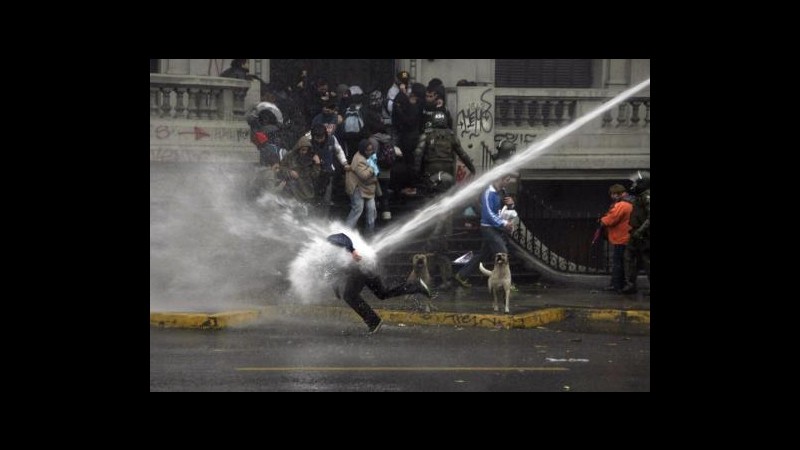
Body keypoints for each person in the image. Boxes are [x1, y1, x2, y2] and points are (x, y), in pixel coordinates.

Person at [326, 233, 431, 334]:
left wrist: (352, 251)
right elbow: (331, 275)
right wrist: (336, 290)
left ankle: (373, 321)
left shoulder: (326, 241)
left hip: (360, 266)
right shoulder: (325, 260)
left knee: (350, 296)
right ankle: (416, 286)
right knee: (382, 293)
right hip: (366, 265)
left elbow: (342, 237)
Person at [454, 172, 518, 288]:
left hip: (496, 228)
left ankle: (461, 275)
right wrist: (503, 223)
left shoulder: (501, 193)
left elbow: (502, 211)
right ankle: (506, 282)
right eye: (506, 180)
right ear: (499, 178)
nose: (507, 183)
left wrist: (511, 205)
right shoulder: (488, 193)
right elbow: (488, 214)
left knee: (482, 254)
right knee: (502, 253)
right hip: (488, 228)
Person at [599, 184, 634, 293]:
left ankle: (617, 285)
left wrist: (602, 220)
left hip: (621, 238)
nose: (612, 196)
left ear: (620, 193)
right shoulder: (629, 204)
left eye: (614, 194)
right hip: (626, 237)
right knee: (625, 263)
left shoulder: (622, 205)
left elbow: (611, 219)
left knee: (618, 263)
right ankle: (621, 284)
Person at [621, 171, 650, 295]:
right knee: (628, 257)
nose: (633, 186)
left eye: (636, 183)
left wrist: (640, 231)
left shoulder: (647, 196)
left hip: (644, 234)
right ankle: (630, 285)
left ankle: (631, 284)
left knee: (647, 260)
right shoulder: (640, 196)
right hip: (636, 232)